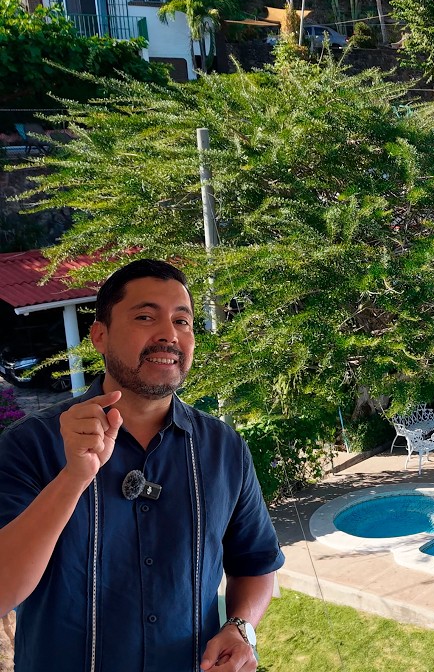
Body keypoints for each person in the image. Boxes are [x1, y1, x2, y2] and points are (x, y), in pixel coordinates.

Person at [0, 259, 284, 672]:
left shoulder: (224, 450)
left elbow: (256, 564)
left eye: (182, 321)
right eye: (146, 317)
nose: (169, 334)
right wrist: (74, 478)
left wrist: (241, 628)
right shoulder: (31, 445)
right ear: (100, 335)